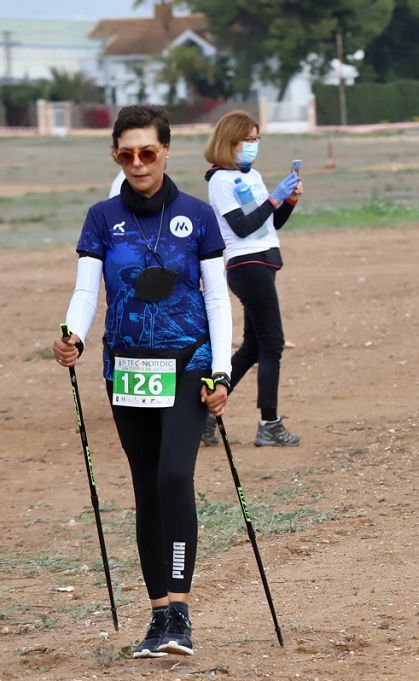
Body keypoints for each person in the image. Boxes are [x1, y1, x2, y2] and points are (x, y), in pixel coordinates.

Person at [51, 105, 232, 657]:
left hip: (187, 364)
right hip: (126, 370)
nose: (137, 163)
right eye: (125, 153)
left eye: (147, 152)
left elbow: (217, 298)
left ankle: (180, 610)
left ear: (166, 151)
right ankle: (157, 617)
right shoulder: (102, 217)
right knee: (147, 487)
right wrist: (72, 335)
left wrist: (221, 367)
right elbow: (87, 291)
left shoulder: (198, 216)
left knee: (175, 475)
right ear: (115, 155)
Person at [203, 110, 302, 447]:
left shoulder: (252, 176)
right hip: (247, 266)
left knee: (254, 346)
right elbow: (242, 228)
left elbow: (267, 225)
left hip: (263, 262)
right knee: (272, 343)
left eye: (257, 139)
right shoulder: (220, 181)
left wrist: (287, 202)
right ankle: (269, 424)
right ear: (229, 142)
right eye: (248, 140)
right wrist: (274, 198)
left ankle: (204, 415)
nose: (253, 146)